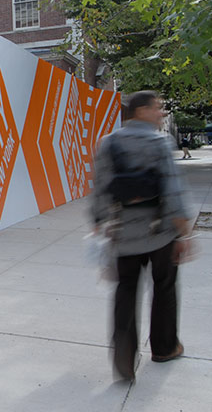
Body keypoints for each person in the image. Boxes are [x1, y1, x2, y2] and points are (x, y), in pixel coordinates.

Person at [90, 91, 193, 381]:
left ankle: (124, 360)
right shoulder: (159, 142)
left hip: (123, 234)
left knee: (125, 294)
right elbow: (173, 190)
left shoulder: (108, 143)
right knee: (164, 290)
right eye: (157, 108)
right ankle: (164, 348)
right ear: (141, 111)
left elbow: (100, 188)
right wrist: (183, 233)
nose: (160, 114)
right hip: (160, 233)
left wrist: (99, 221)